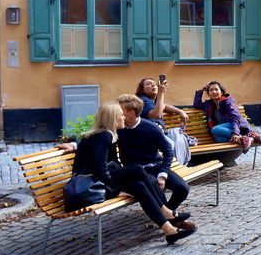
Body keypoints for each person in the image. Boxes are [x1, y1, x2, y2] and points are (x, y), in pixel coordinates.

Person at [67, 102, 196, 245]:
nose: (123, 118)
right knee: (137, 169)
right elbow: (100, 169)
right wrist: (115, 191)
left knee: (140, 186)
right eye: (120, 115)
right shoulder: (104, 136)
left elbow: (108, 164)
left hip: (99, 179)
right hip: (91, 182)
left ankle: (169, 230)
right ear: (113, 118)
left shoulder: (107, 134)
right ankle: (165, 210)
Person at [116, 94, 191, 212]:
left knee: (182, 188)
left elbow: (168, 151)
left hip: (154, 166)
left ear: (131, 113)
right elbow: (98, 136)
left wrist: (162, 174)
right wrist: (76, 144)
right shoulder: (118, 128)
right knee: (155, 187)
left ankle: (167, 214)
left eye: (120, 110)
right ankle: (170, 219)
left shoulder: (150, 128)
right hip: (134, 171)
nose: (117, 113)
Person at [193, 81, 259, 148]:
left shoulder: (227, 102)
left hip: (236, 126)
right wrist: (201, 90)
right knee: (219, 139)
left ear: (221, 92)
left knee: (214, 130)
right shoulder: (209, 104)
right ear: (208, 94)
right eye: (211, 90)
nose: (214, 92)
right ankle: (244, 138)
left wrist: (235, 133)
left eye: (216, 89)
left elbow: (235, 118)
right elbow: (196, 104)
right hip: (224, 129)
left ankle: (242, 137)